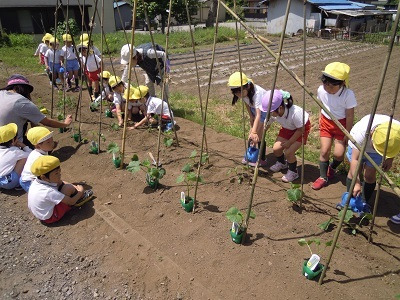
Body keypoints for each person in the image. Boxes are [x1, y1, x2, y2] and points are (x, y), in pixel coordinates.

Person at [345, 115, 400, 224]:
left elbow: (395, 146)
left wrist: (390, 158)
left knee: (369, 175)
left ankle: (365, 202)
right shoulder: (360, 133)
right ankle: (349, 199)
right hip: (359, 146)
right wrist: (356, 183)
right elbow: (354, 160)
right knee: (355, 172)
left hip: (380, 149)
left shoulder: (396, 133)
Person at [312, 62, 357, 190]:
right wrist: (321, 118)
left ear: (342, 83)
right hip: (326, 122)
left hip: (341, 125)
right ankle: (322, 177)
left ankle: (331, 167)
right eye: (325, 84)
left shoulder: (348, 95)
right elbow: (321, 105)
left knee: (339, 154)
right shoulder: (321, 90)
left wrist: (347, 133)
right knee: (324, 150)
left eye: (332, 86)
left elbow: (349, 115)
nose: (328, 88)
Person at [0, 74, 72, 146]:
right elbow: (48, 122)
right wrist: (65, 124)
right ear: (24, 89)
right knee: (46, 146)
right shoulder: (21, 102)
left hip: (2, 136)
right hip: (11, 143)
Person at [259, 90, 311, 182]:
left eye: (271, 112)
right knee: (276, 149)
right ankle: (282, 163)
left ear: (281, 108)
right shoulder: (273, 113)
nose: (270, 114)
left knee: (288, 152)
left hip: (301, 129)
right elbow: (267, 123)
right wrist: (263, 131)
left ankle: (293, 171)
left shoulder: (295, 113)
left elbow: (300, 129)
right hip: (288, 128)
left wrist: (290, 142)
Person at [28, 155, 93, 224]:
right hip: (51, 217)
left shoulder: (37, 181)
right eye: (56, 173)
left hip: (41, 213)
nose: (59, 175)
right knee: (68, 188)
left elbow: (60, 182)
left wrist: (74, 187)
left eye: (59, 172)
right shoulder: (47, 191)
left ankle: (75, 193)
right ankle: (80, 198)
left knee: (64, 184)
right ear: (44, 177)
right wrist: (80, 191)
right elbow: (70, 201)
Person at [227, 72, 267, 166]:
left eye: (240, 92)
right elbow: (247, 103)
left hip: (264, 112)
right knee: (252, 136)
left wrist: (254, 131)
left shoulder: (257, 94)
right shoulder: (243, 92)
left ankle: (262, 159)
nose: (239, 95)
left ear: (247, 87)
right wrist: (250, 116)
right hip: (255, 111)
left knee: (257, 136)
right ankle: (250, 156)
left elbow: (259, 114)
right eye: (236, 93)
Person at [19, 127, 56, 192]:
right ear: (38, 146)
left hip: (25, 179)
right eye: (48, 142)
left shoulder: (39, 152)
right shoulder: (39, 157)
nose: (52, 143)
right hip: (29, 181)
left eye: (52, 140)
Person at [0, 123, 32, 190]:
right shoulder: (15, 151)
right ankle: (19, 184)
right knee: (24, 159)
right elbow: (31, 155)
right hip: (9, 182)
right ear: (13, 141)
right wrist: (24, 146)